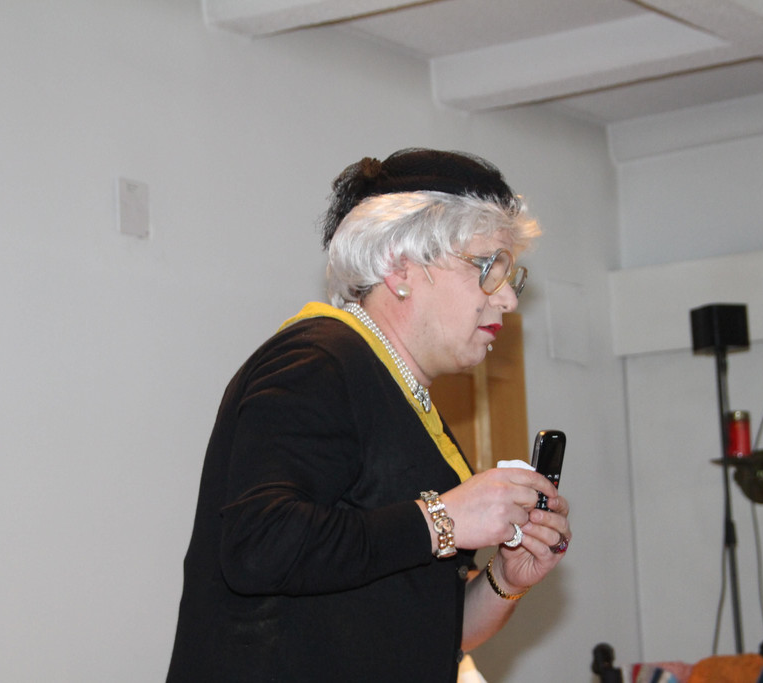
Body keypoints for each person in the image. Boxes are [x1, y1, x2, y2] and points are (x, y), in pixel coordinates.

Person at [166, 148, 571, 682]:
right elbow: (259, 545)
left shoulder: (404, 397)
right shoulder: (317, 363)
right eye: (486, 268)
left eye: (509, 276)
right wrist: (444, 520)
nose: (508, 301)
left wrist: (506, 579)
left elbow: (430, 631)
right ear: (401, 267)